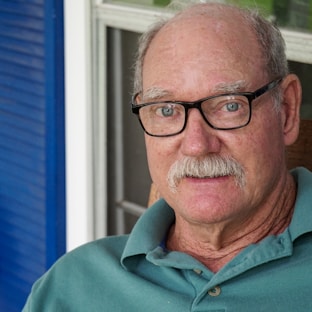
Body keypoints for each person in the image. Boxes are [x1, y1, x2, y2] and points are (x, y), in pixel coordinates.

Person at [23, 2, 312, 311]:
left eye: (230, 105)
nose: (197, 145)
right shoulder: (73, 285)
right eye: (166, 110)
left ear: (287, 111)